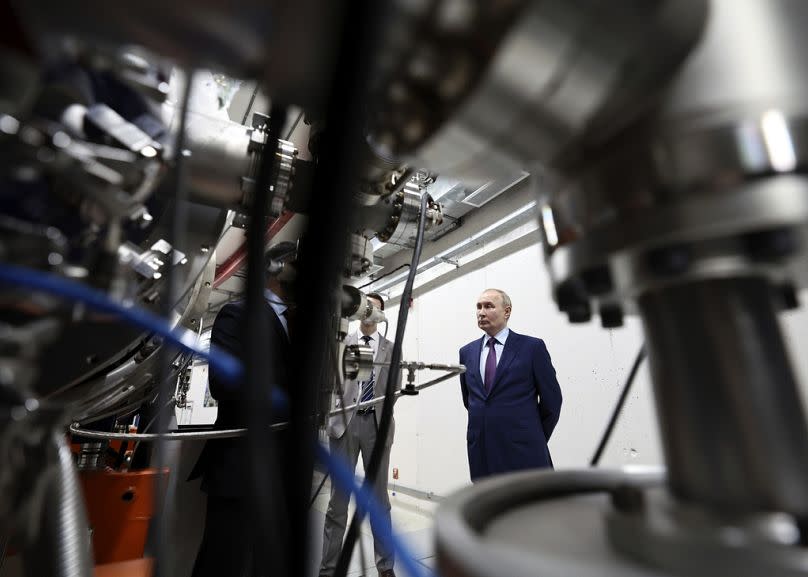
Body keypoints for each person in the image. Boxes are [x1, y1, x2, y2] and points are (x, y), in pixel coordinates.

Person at [188, 241, 297, 577]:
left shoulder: (297, 322)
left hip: (280, 470)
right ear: (280, 270)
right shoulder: (238, 313)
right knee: (225, 561)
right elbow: (223, 382)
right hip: (241, 467)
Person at [320, 293, 396, 577]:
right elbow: (331, 384)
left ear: (381, 313)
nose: (368, 311)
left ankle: (385, 567)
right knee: (337, 502)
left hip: (376, 428)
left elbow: (394, 390)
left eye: (374, 307)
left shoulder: (391, 347)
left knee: (379, 502)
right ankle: (328, 569)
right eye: (365, 305)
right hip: (345, 426)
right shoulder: (344, 344)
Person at [459, 288, 562, 481]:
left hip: (524, 453)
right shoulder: (466, 352)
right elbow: (470, 400)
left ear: (507, 311)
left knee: (528, 507)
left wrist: (533, 437)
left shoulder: (531, 348)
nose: (481, 312)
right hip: (482, 452)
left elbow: (552, 401)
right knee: (489, 507)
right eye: (479, 307)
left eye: (489, 306)